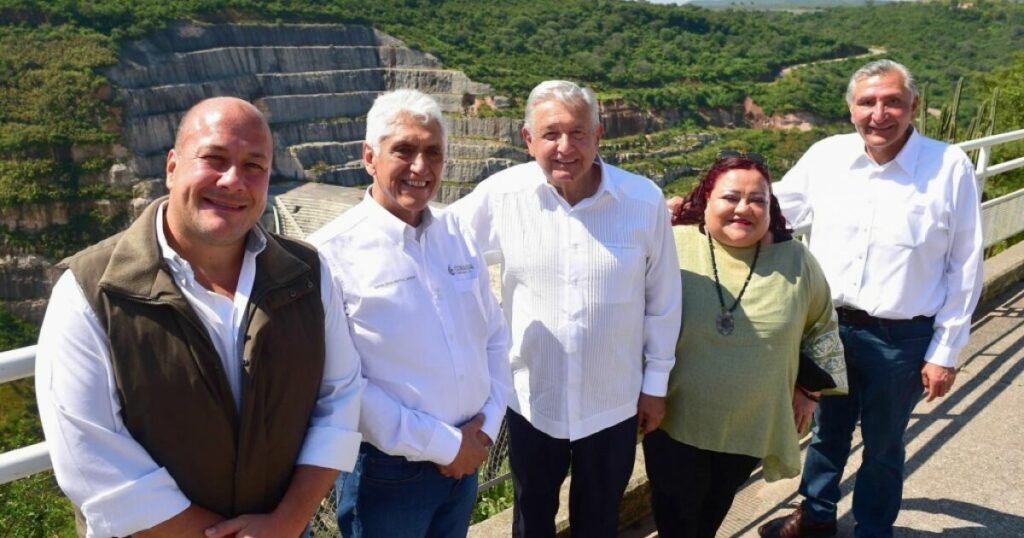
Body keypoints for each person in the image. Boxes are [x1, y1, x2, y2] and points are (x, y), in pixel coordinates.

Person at [34, 97, 364, 538]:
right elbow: (90, 461)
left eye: (254, 166)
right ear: (172, 165)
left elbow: (339, 401)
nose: (233, 181)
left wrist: (286, 522)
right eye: (214, 158)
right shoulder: (88, 291)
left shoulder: (309, 274)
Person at [758, 60, 984, 538]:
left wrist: (945, 351)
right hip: (829, 327)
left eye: (892, 101)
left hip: (902, 337)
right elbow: (775, 210)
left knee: (883, 445)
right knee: (826, 432)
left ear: (913, 106)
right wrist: (697, 206)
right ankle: (817, 515)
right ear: (850, 108)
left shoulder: (948, 166)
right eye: (867, 102)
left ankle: (873, 529)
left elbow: (965, 264)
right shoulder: (827, 157)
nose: (879, 113)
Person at [450, 80, 682, 538]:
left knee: (598, 522)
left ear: (599, 136)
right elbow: (441, 248)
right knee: (532, 519)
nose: (565, 147)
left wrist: (655, 385)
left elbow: (663, 300)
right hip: (534, 399)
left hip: (612, 402)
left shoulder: (643, 200)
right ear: (527, 139)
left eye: (578, 133)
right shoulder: (502, 196)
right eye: (551, 134)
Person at [306, 89, 512, 538]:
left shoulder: (456, 232)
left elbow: (495, 336)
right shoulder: (329, 253)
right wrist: (445, 446)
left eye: (433, 152)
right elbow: (343, 383)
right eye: (404, 150)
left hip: (469, 457)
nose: (421, 167)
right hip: (389, 473)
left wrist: (485, 430)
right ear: (369, 157)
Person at [647, 153, 847, 538]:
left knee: (713, 510)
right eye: (730, 197)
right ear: (706, 199)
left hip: (749, 423)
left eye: (757, 200)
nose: (744, 208)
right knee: (676, 517)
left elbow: (821, 324)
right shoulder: (671, 244)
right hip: (674, 418)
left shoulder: (795, 260)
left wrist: (811, 390)